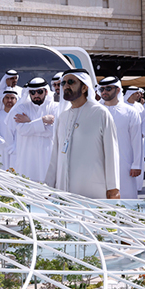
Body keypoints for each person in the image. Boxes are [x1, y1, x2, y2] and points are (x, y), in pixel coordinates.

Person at [45, 68, 120, 199]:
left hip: (93, 187)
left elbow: (111, 152)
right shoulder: (63, 117)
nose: (66, 86)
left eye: (71, 82)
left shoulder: (100, 113)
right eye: (63, 83)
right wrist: (48, 185)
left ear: (84, 87)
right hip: (64, 188)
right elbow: (55, 155)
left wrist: (113, 188)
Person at [99, 76, 143, 199]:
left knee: (126, 195)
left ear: (118, 90)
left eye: (108, 88)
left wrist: (136, 164)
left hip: (124, 162)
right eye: (101, 89)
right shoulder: (95, 110)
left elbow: (136, 139)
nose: (104, 92)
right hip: (99, 161)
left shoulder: (130, 111)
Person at [6, 77, 57, 182]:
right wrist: (43, 120)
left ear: (46, 91)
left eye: (39, 92)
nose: (36, 95)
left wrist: (30, 122)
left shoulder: (55, 107)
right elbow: (22, 130)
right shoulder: (21, 108)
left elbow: (54, 130)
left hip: (47, 157)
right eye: (32, 92)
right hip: (27, 158)